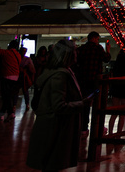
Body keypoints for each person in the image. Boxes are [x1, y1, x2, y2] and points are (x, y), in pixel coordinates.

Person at [26, 40, 92, 171]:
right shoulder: (61, 75)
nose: (77, 54)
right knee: (53, 162)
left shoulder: (54, 72)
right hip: (56, 128)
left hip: (53, 126)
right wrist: (82, 104)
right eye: (74, 51)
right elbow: (59, 105)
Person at [74, 31, 111, 98]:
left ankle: (85, 107)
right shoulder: (98, 48)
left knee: (84, 97)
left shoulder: (82, 49)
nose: (97, 41)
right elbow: (106, 59)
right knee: (96, 97)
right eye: (97, 39)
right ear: (94, 38)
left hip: (83, 77)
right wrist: (108, 50)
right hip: (95, 77)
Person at [0, 40, 22, 121]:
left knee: (6, 96)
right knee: (8, 96)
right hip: (16, 77)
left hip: (6, 76)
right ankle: (7, 114)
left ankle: (8, 113)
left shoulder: (5, 53)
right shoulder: (18, 55)